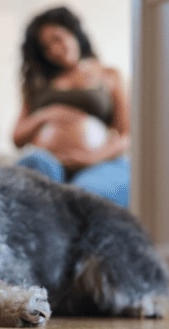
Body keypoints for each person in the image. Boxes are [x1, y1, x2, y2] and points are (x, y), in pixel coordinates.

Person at [13, 6, 131, 208]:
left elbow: (124, 135)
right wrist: (48, 114)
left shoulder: (109, 75)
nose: (55, 50)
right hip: (48, 163)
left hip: (98, 163)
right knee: (30, 174)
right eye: (46, 48)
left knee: (84, 197)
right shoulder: (38, 85)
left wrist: (90, 158)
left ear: (73, 32)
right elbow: (17, 137)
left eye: (57, 39)